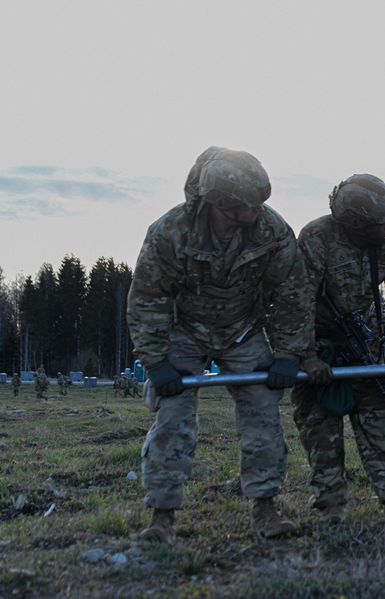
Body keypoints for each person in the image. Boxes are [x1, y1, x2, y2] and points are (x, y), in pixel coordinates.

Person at [127, 146, 318, 543]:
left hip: (243, 331)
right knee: (173, 419)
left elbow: (292, 294)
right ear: (222, 205)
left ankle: (265, 508)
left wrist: (287, 353)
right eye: (248, 207)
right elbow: (148, 298)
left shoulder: (271, 231)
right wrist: (156, 361)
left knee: (264, 414)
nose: (257, 213)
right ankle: (162, 516)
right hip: (184, 331)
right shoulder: (171, 232)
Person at [293, 174, 385, 525]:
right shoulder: (316, 237)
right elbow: (298, 301)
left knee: (379, 422)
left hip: (359, 345)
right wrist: (306, 355)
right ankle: (331, 505)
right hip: (317, 343)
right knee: (320, 429)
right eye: (378, 225)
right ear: (355, 224)